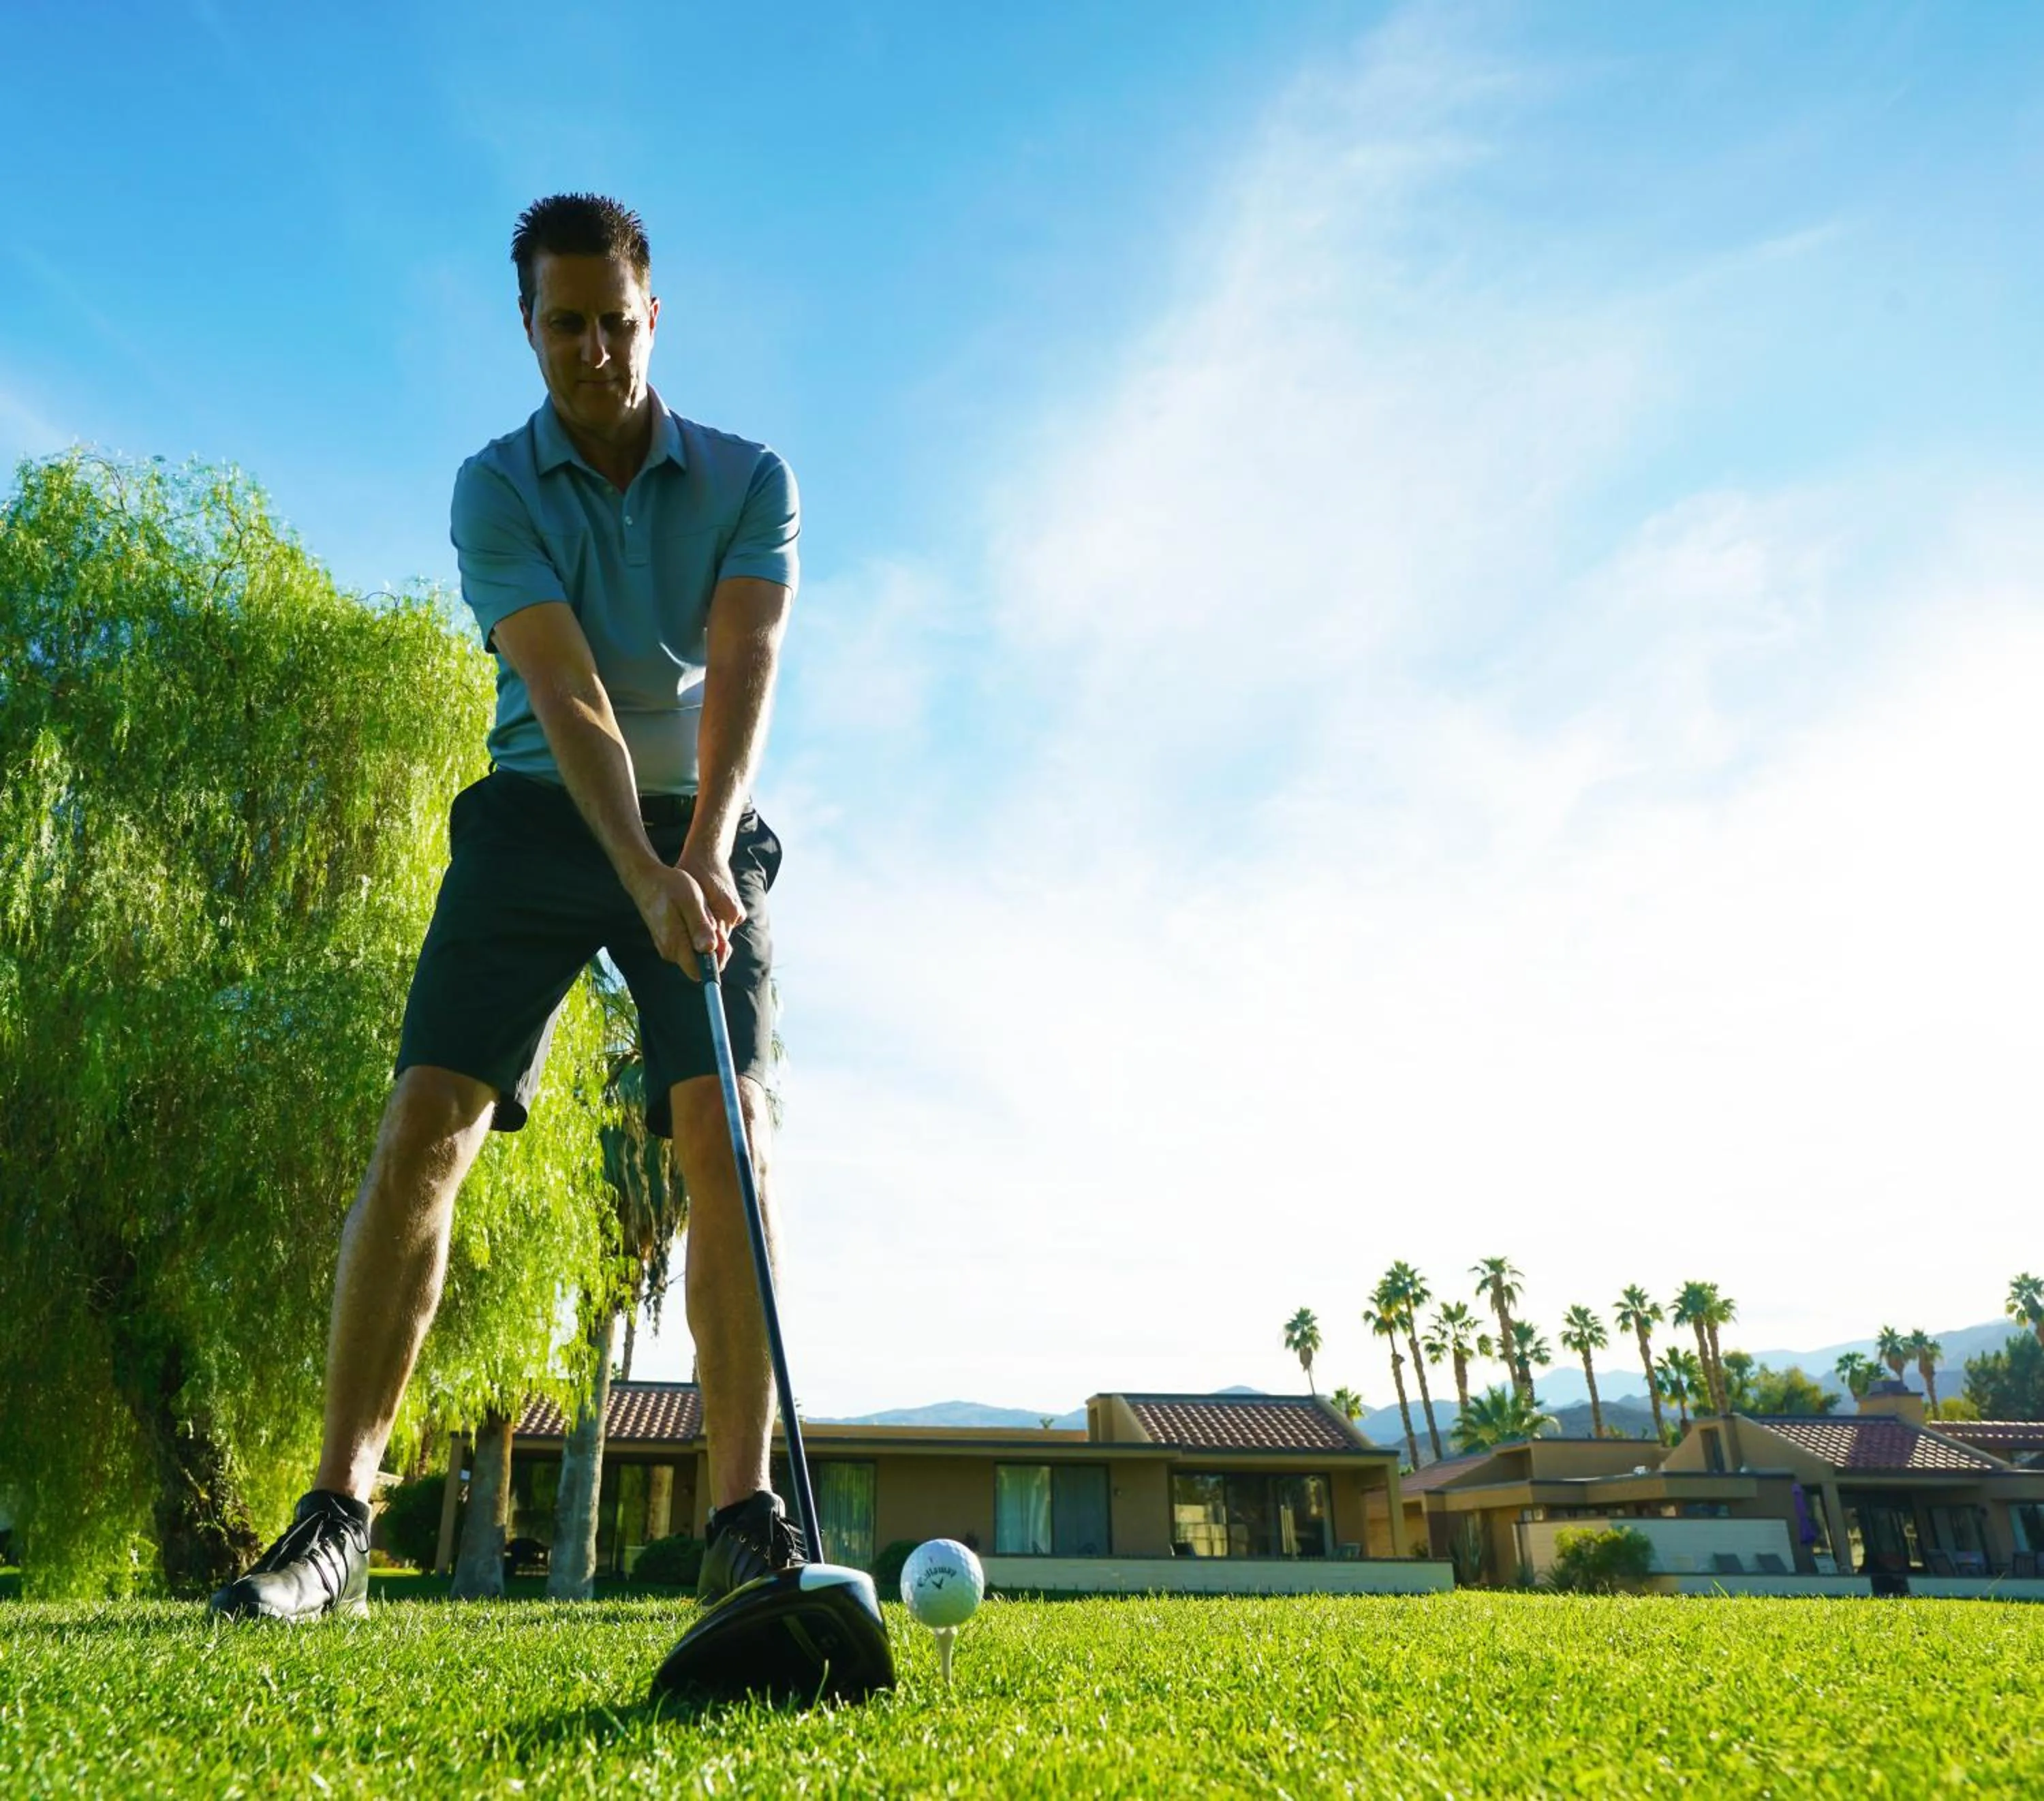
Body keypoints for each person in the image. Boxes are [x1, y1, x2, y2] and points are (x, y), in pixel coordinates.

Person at [211, 193, 805, 1620]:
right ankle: (337, 1518)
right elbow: (569, 696)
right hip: (543, 819)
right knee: (427, 1119)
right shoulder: (496, 485)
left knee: (724, 1134)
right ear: (527, 327)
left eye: (616, 322)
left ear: (653, 314)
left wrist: (703, 852)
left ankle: (743, 1519)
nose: (594, 351)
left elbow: (742, 673)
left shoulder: (750, 475)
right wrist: (640, 874)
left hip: (698, 823)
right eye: (564, 326)